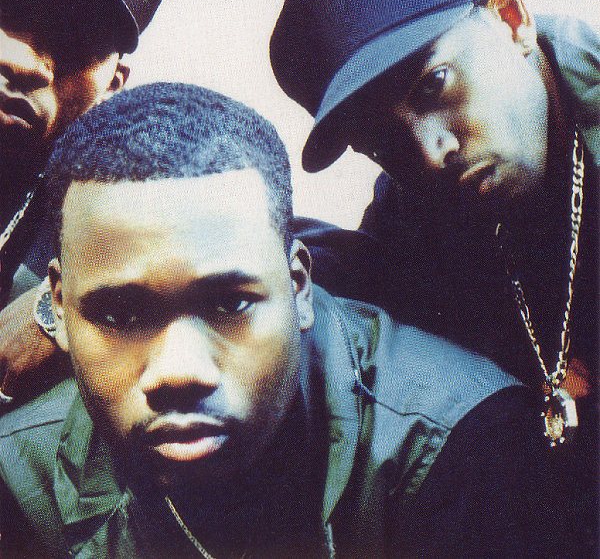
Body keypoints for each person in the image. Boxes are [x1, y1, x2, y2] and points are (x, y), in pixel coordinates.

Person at [0, 83, 577, 557]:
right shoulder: (18, 477)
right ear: (58, 307)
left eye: (230, 304)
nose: (179, 371)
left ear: (299, 286)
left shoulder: (463, 446)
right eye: (119, 315)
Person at [270, 0, 598, 547]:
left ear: (512, 21)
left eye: (432, 87)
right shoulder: (416, 205)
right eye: (381, 141)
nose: (430, 152)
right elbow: (358, 283)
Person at [0, 0, 166, 399]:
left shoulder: (105, 196)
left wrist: (61, 307)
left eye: (74, 38)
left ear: (112, 86)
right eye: (7, 11)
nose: (22, 61)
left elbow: (306, 253)